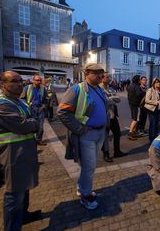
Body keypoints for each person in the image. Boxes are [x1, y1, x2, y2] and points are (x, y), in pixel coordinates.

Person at [0, 71, 41, 230]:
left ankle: (24, 216)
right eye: (14, 81)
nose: (20, 84)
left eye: (21, 81)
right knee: (14, 194)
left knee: (23, 187)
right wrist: (33, 123)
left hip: (24, 151)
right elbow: (26, 125)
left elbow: (32, 120)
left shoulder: (19, 102)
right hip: (12, 153)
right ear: (3, 84)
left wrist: (32, 122)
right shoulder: (1, 104)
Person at [57, 63, 108, 210]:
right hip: (87, 134)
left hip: (100, 132)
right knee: (89, 166)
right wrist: (79, 128)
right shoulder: (76, 89)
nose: (101, 75)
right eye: (97, 72)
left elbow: (97, 106)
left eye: (102, 72)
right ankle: (86, 196)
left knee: (89, 166)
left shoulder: (99, 89)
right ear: (87, 73)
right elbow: (62, 112)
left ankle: (82, 187)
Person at [100, 72, 127, 163]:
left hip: (113, 115)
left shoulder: (110, 89)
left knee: (117, 133)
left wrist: (111, 99)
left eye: (110, 77)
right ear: (102, 78)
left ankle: (117, 151)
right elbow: (103, 102)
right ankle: (106, 154)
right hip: (104, 116)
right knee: (105, 136)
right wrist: (111, 99)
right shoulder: (99, 89)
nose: (109, 79)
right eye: (107, 77)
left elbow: (117, 99)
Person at [21, 75, 47, 146]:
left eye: (39, 80)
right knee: (32, 125)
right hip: (31, 109)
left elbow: (45, 98)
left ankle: (38, 140)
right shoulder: (27, 88)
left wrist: (44, 105)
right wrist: (26, 106)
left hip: (40, 109)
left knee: (41, 127)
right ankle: (31, 141)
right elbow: (22, 98)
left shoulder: (43, 88)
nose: (38, 82)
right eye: (37, 80)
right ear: (33, 80)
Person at [144, 77, 160, 143]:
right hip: (151, 109)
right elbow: (147, 100)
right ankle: (151, 139)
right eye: (157, 82)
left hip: (158, 110)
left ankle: (155, 137)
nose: (158, 83)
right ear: (154, 83)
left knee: (157, 124)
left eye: (159, 82)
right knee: (152, 124)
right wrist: (156, 102)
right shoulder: (150, 90)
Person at [126, 75, 142, 140]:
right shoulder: (137, 86)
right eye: (140, 79)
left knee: (134, 118)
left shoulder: (130, 85)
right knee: (136, 119)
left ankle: (134, 132)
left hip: (131, 103)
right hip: (136, 104)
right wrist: (144, 93)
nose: (141, 80)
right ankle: (130, 133)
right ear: (138, 80)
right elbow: (138, 94)